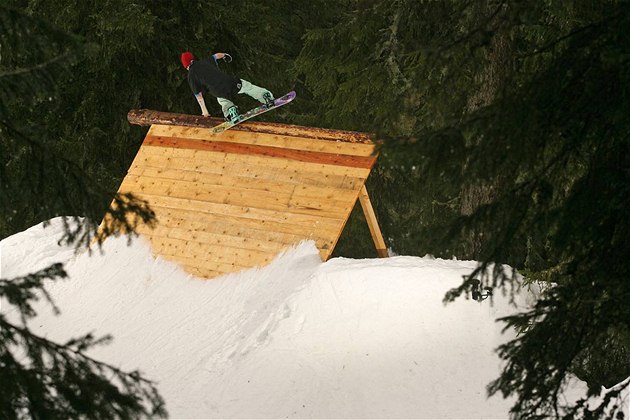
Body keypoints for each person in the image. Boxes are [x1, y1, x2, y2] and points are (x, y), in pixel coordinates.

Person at [181, 51, 274, 123]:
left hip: (217, 91)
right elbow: (216, 55)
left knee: (222, 99)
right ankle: (266, 96)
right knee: (247, 87)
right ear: (193, 59)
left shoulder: (191, 76)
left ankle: (231, 112)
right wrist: (225, 55)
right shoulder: (205, 61)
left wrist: (205, 112)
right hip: (230, 82)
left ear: (185, 66)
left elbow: (199, 97)